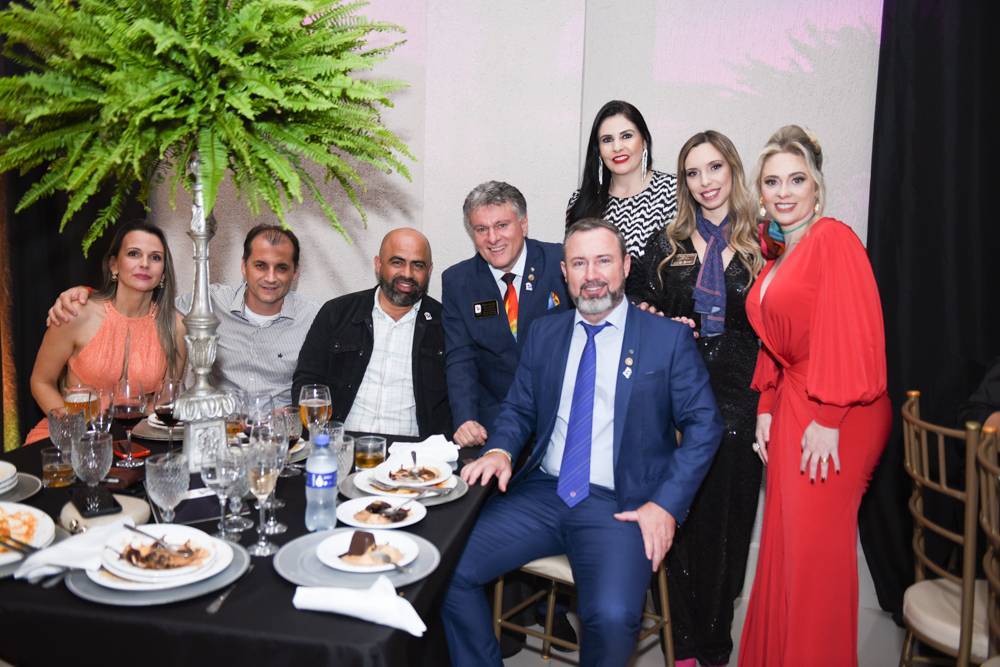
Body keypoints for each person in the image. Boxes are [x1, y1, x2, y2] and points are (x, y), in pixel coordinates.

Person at [442, 218, 723, 667]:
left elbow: (705, 425)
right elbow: (519, 407)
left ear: (625, 266)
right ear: (565, 272)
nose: (591, 274)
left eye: (603, 261)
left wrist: (666, 505)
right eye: (579, 263)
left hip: (621, 503)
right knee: (444, 567)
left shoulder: (666, 339)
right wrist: (499, 450)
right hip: (544, 493)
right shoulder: (545, 333)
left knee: (611, 617)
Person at [738, 125, 891, 667]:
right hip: (795, 403)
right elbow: (778, 344)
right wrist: (766, 405)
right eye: (772, 181)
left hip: (839, 410)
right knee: (786, 553)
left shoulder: (832, 239)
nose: (783, 192)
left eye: (796, 179)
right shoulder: (780, 253)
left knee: (814, 562)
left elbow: (853, 333)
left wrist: (828, 416)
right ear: (760, 191)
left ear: (817, 187)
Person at [629, 130, 764, 667]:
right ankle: (681, 645)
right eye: (692, 172)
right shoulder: (668, 244)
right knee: (674, 523)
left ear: (733, 170)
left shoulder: (764, 244)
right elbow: (635, 303)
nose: (705, 182)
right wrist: (658, 320)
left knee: (726, 531)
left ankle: (714, 644)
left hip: (740, 407)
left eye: (714, 168)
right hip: (676, 403)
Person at [46, 224, 319, 407]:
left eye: (281, 268)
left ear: (295, 273)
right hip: (222, 435)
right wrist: (84, 294)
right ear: (243, 267)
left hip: (283, 439)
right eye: (260, 265)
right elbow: (138, 302)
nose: (270, 277)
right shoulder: (206, 303)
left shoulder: (315, 319)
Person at [29, 220, 186, 439]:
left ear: (164, 273)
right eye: (133, 253)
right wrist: (71, 427)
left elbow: (165, 399)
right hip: (69, 433)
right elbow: (41, 381)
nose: (145, 263)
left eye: (155, 257)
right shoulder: (76, 314)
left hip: (133, 437)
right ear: (114, 265)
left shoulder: (175, 326)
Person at [442, 181, 570, 447]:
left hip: (561, 419)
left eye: (502, 225)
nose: (492, 238)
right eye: (481, 229)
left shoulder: (560, 261)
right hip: (495, 424)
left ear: (523, 224)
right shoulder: (458, 281)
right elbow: (460, 357)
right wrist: (465, 419)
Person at [292, 228, 451, 438]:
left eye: (418, 265)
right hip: (342, 443)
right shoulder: (337, 313)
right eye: (397, 262)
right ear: (378, 264)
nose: (407, 274)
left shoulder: (446, 325)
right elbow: (307, 381)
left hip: (414, 450)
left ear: (429, 271)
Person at [566, 100, 678, 295]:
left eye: (626, 136)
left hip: (659, 310)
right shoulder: (580, 201)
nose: (617, 147)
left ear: (644, 140)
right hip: (593, 309)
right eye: (607, 140)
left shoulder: (674, 191)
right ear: (598, 149)